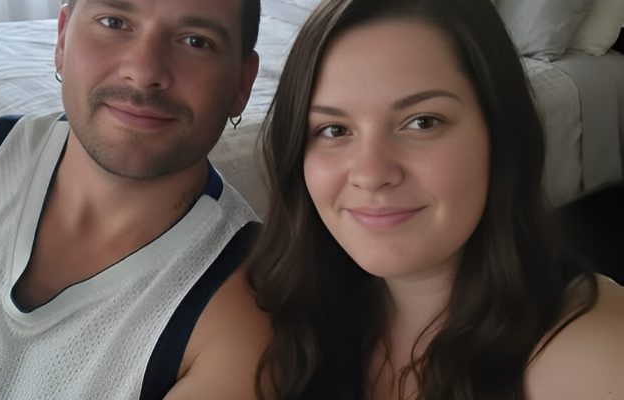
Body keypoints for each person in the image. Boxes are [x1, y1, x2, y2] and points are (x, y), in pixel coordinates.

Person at [0, 0, 271, 398]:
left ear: (242, 84)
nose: (143, 72)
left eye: (196, 41)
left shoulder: (245, 317)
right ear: (62, 39)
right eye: (114, 22)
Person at [246, 0, 624, 398]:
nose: (370, 174)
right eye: (334, 130)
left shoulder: (593, 358)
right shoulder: (283, 315)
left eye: (422, 122)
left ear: (500, 132)